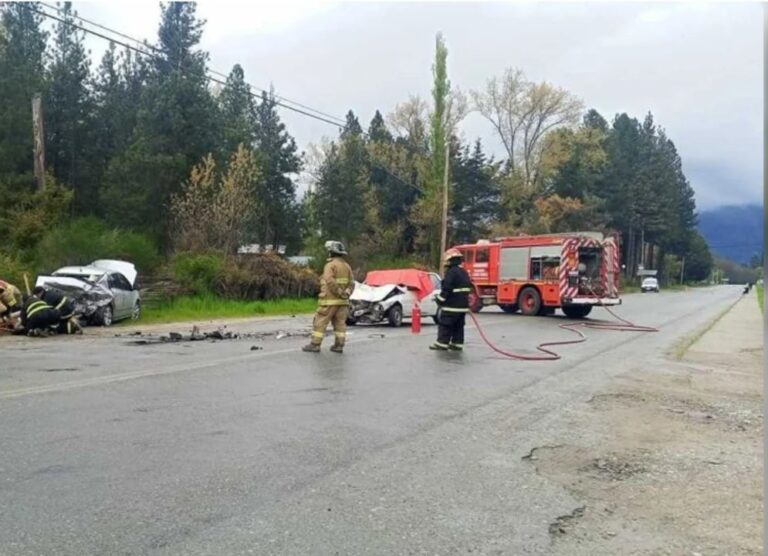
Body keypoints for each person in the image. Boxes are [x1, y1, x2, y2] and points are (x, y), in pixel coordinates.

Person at [302, 240, 355, 353]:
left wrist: (339, 292)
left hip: (329, 301)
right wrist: (346, 293)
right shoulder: (347, 266)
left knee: (320, 322)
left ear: (331, 252)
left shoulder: (330, 265)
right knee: (340, 324)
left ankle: (315, 344)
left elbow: (329, 281)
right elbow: (352, 283)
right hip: (343, 303)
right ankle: (339, 345)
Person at [431, 248, 473, 351]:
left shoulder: (451, 272)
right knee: (458, 326)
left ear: (450, 260)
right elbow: (469, 287)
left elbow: (446, 289)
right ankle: (457, 344)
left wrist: (439, 300)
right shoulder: (464, 272)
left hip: (451, 306)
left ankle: (442, 343)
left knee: (445, 324)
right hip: (462, 307)